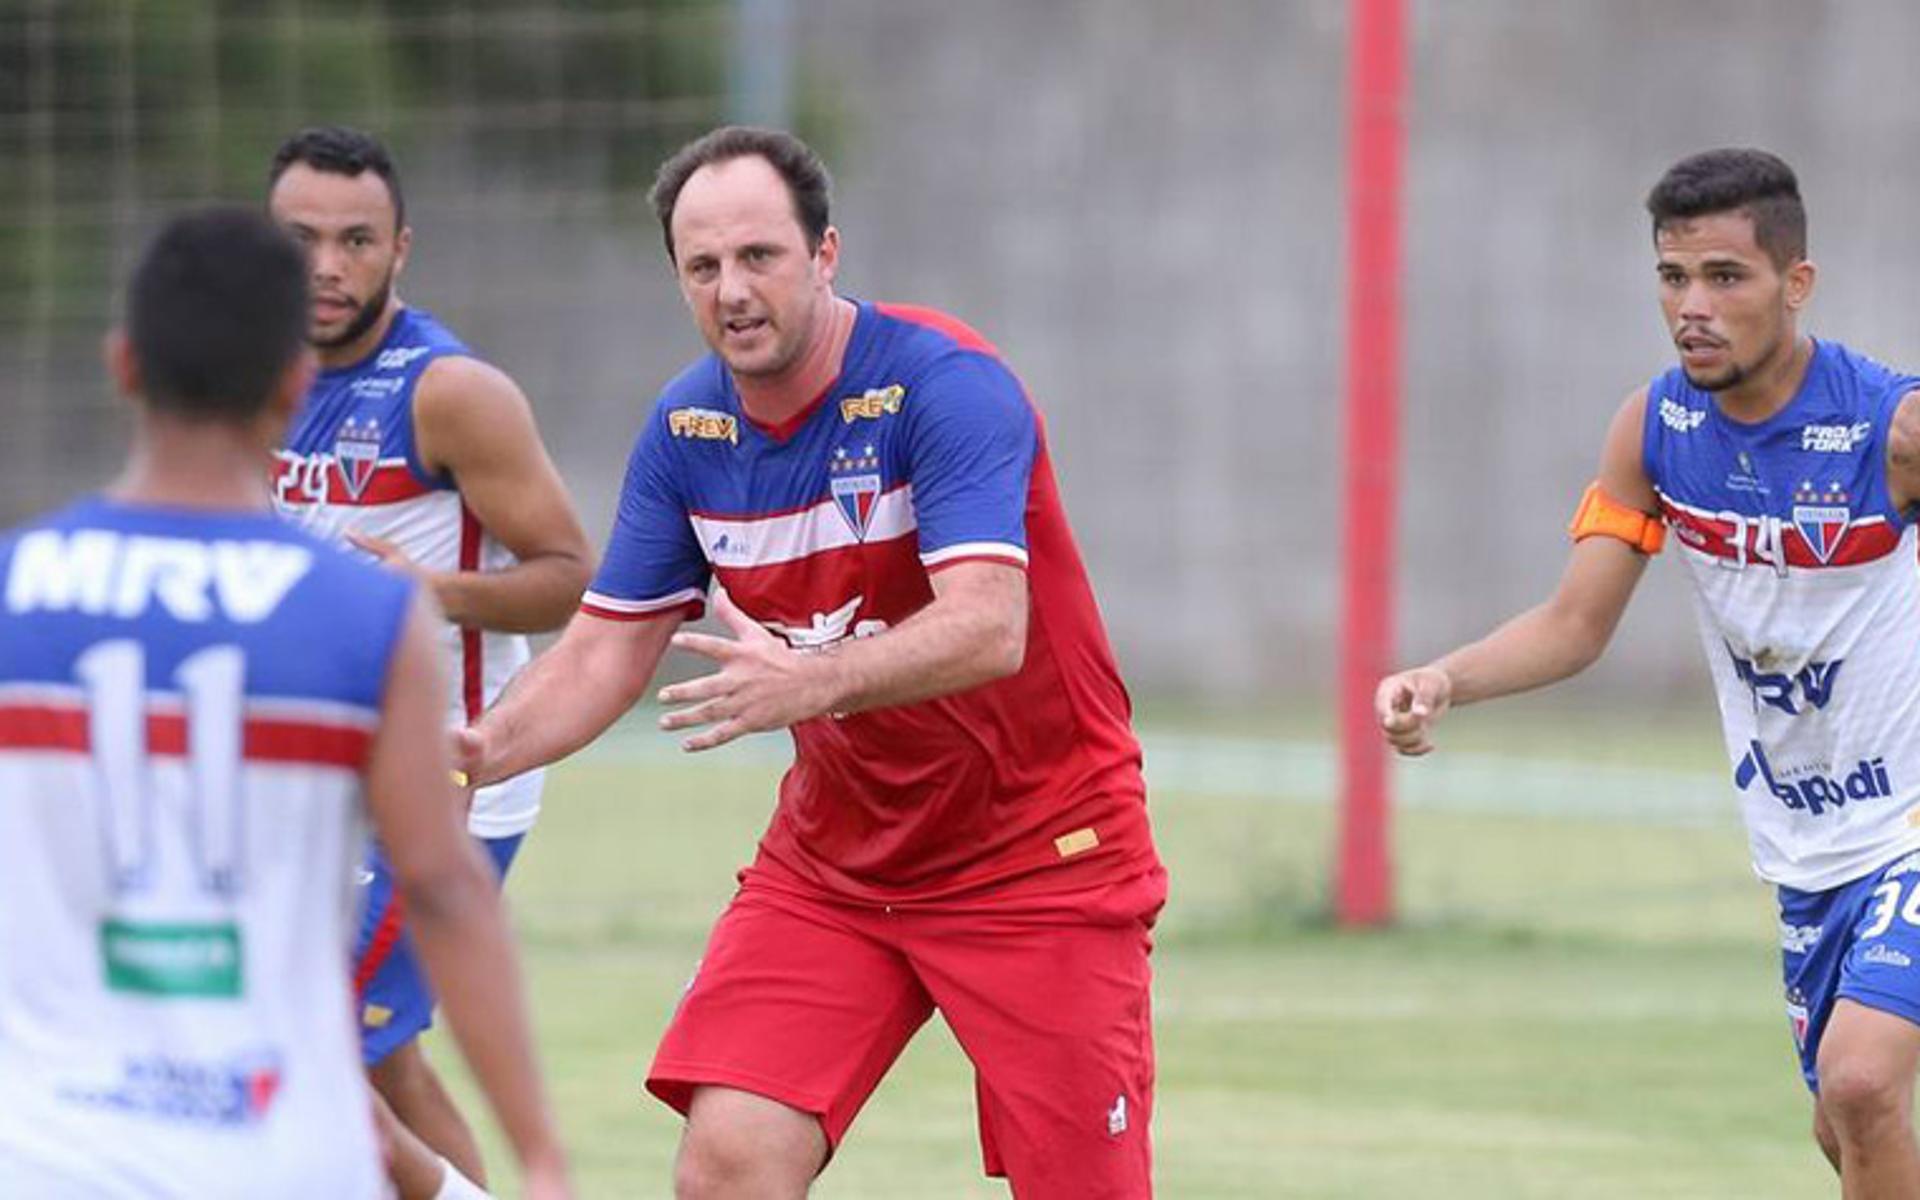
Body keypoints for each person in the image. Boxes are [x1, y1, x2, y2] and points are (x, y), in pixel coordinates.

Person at [457, 125, 1165, 1199]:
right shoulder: (688, 427)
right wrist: (470, 752)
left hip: (1040, 852)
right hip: (839, 867)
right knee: (727, 1165)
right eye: (703, 267)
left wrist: (812, 680)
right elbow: (607, 644)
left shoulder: (946, 387)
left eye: (760, 257)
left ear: (825, 255)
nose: (733, 291)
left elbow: (990, 623)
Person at [1377, 148, 1920, 1195]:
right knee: (1846, 1131)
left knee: (1862, 1086)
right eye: (1674, 278)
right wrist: (1445, 679)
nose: (1693, 307)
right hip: (1805, 848)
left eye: (1727, 277)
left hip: (1912, 824)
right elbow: (1577, 622)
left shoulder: (1892, 433)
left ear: (1795, 284)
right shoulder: (1656, 431)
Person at [0, 207, 570, 1199]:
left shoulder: (17, 587)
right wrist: (542, 1160)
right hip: (276, 1151)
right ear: (294, 383)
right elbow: (441, 888)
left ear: (123, 366)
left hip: (50, 1155)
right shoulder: (367, 615)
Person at [266, 126, 592, 1197]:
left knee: (316, 1045)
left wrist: (431, 594)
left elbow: (570, 573)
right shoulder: (248, 383)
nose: (327, 265)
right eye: (301, 239)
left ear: (401, 248)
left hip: (446, 778)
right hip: (312, 782)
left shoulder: (449, 392)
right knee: (382, 1053)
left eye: (356, 240)